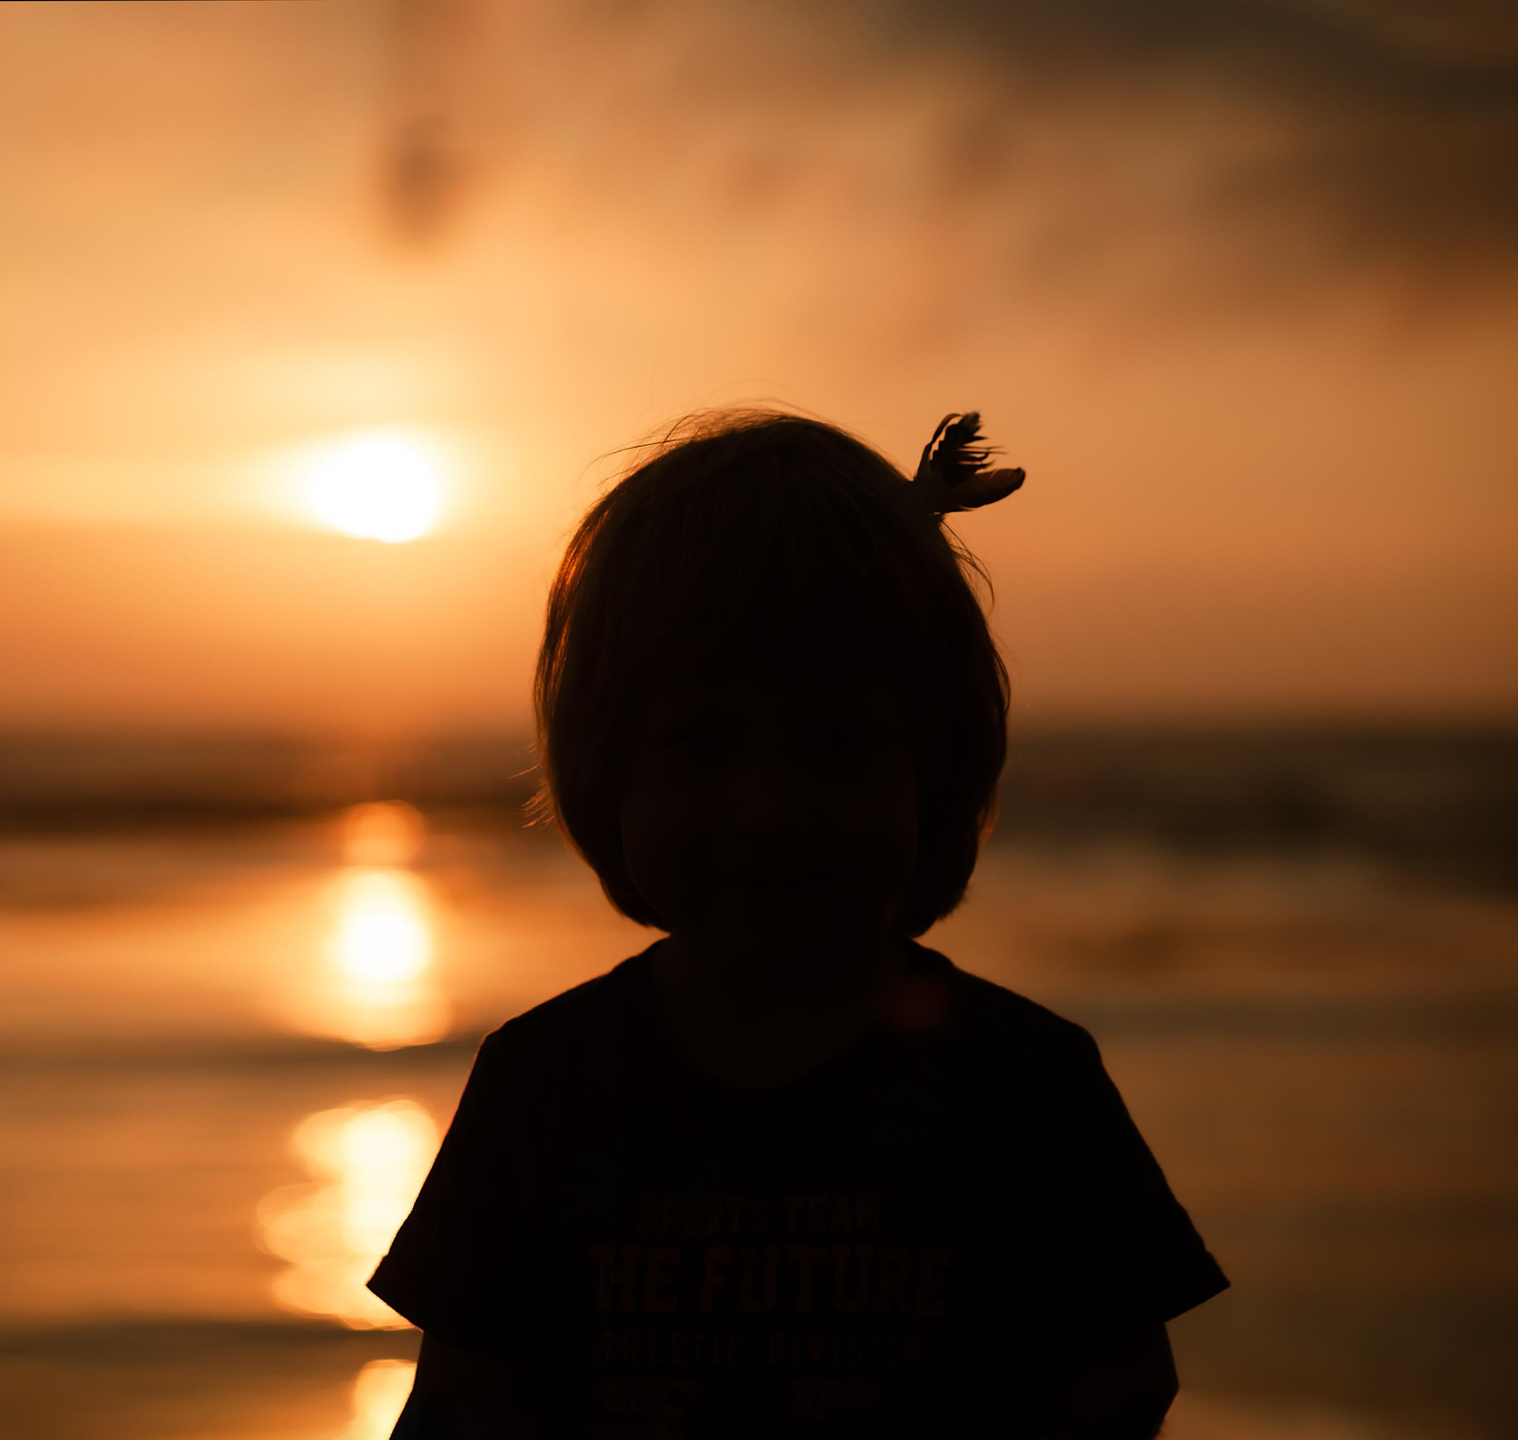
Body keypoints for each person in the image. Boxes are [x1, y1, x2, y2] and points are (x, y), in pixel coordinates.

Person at [368, 411, 1226, 1438]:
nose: (767, 807)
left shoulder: (1023, 1089)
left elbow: (1115, 1392)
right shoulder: (544, 1088)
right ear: (608, 773)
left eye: (836, 746)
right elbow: (462, 1409)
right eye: (701, 745)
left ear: (935, 770)